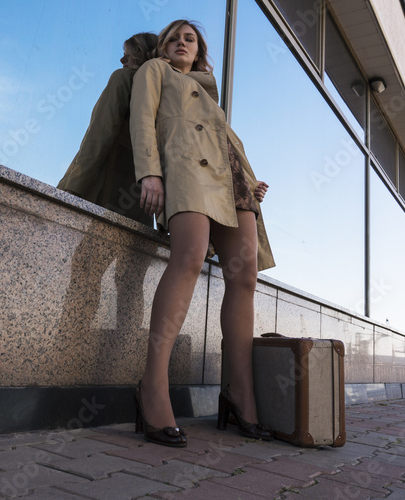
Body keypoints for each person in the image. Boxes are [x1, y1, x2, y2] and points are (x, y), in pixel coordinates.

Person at [130, 20, 275, 448]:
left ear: (199, 51)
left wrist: (250, 180)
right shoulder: (153, 73)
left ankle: (238, 392)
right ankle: (152, 388)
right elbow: (142, 121)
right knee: (189, 256)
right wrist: (150, 174)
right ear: (163, 48)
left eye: (188, 39)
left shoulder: (210, 94)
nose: (180, 43)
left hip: (233, 185)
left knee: (245, 277)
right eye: (172, 38)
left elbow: (230, 145)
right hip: (187, 172)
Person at [57, 32, 158, 225]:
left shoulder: (124, 78)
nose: (122, 59)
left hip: (103, 188)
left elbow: (100, 134)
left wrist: (73, 187)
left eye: (130, 52)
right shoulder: (161, 93)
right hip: (140, 203)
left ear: (143, 54)